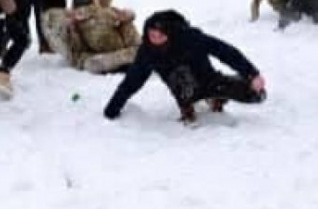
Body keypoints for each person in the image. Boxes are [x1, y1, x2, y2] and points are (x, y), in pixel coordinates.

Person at [103, 10, 267, 124]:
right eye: (152, 35)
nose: (155, 39)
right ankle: (187, 105)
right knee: (180, 76)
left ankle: (215, 97)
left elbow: (224, 51)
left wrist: (252, 74)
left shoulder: (190, 37)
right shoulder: (147, 51)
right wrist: (112, 108)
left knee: (256, 95)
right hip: (183, 88)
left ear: (169, 34)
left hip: (209, 80)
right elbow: (132, 81)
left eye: (160, 35)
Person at [40, 0, 140, 74]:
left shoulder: (49, 19)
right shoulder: (82, 14)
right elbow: (121, 16)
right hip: (100, 52)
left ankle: (122, 60)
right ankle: (135, 56)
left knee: (94, 62)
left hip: (83, 58)